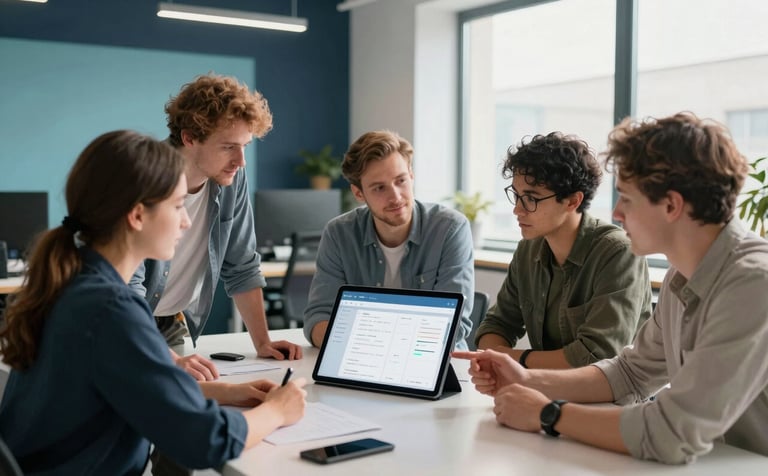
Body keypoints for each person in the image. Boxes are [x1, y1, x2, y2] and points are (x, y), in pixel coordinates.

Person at [454, 112, 768, 464]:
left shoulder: (754, 282)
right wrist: (528, 378)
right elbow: (630, 373)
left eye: (627, 199)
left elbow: (673, 432)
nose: (617, 213)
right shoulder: (681, 278)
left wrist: (548, 414)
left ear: (671, 205)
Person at [0, 130, 306, 474]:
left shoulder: (73, 282)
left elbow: (135, 389)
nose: (187, 221)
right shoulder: (112, 310)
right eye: (177, 206)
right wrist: (277, 411)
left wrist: (228, 392)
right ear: (137, 216)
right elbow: (205, 442)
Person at [131, 74, 303, 384]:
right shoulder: (143, 176)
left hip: (172, 323)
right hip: (126, 323)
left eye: (245, 147)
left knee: (191, 404)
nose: (241, 161)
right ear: (189, 138)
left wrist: (262, 342)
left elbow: (241, 263)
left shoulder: (231, 177)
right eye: (228, 147)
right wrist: (168, 360)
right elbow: (123, 289)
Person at [475, 132, 651, 368]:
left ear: (572, 201)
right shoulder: (529, 249)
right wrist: (493, 361)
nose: (518, 209)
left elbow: (597, 355)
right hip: (546, 388)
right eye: (516, 195)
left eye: (531, 198)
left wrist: (511, 360)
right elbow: (497, 324)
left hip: (611, 399)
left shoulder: (617, 252)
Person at [303, 130, 475, 349]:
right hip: (361, 360)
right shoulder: (339, 234)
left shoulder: (450, 229)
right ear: (359, 193)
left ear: (411, 176)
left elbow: (454, 325)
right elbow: (317, 319)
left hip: (435, 362)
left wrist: (369, 339)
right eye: (379, 188)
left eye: (400, 180)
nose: (395, 197)